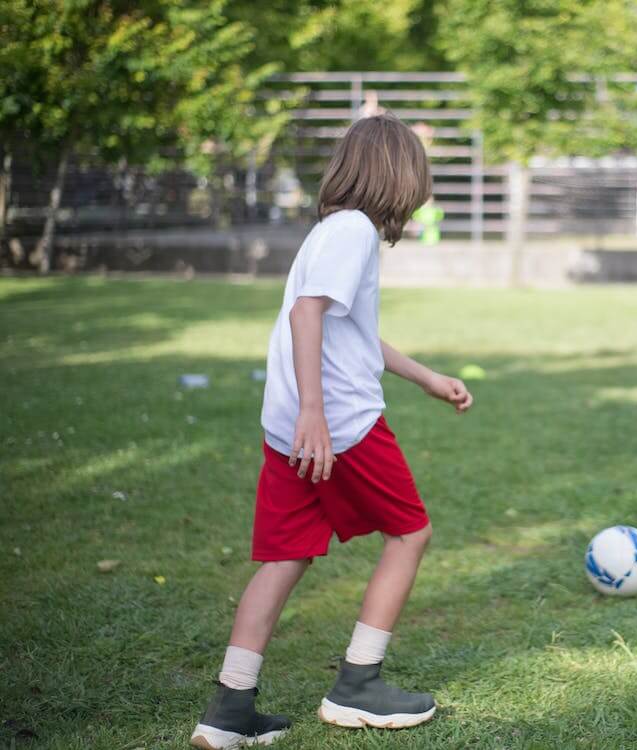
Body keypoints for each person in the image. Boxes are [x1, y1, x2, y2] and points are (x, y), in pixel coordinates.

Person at [190, 114, 473, 749]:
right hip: (338, 423)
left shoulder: (334, 230)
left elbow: (349, 329)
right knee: (410, 533)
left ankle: (228, 710)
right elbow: (306, 313)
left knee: (284, 556)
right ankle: (357, 685)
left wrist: (425, 377)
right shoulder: (353, 232)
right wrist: (317, 412)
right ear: (399, 176)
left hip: (289, 425)